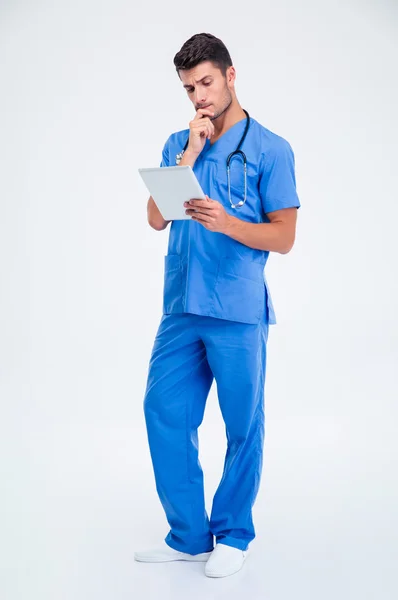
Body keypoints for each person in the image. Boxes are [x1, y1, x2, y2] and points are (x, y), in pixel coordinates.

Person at [134, 32, 300, 578]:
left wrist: (229, 223)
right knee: (164, 412)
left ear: (230, 76)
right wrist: (190, 152)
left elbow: (284, 237)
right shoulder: (178, 143)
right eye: (188, 88)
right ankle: (187, 535)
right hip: (181, 307)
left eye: (205, 82)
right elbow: (157, 220)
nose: (198, 96)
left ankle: (232, 533)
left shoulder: (271, 149)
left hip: (236, 309)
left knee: (241, 425)